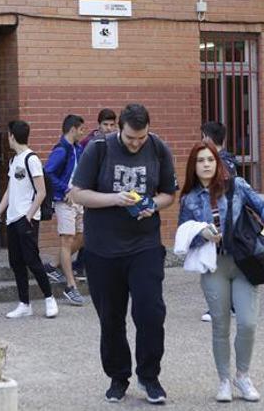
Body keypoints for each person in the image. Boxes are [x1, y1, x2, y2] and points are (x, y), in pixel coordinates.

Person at [70, 104, 177, 405]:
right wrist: (115, 199)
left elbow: (169, 193)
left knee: (151, 312)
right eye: (130, 138)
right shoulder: (99, 149)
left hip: (144, 246)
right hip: (103, 250)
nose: (135, 144)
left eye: (140, 138)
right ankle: (118, 377)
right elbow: (77, 193)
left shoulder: (158, 148)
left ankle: (149, 376)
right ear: (120, 128)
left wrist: (153, 205)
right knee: (111, 318)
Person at [177, 140, 264, 403]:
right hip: (214, 267)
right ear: (194, 166)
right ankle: (224, 380)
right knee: (220, 325)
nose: (206, 165)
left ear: (217, 162)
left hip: (244, 262)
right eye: (200, 161)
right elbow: (183, 234)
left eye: (210, 159)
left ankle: (242, 376)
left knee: (247, 322)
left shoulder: (236, 185)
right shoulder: (189, 198)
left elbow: (262, 206)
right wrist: (201, 234)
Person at [0, 120, 59, 319]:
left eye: (8, 134)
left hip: (26, 218)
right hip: (12, 218)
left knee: (32, 260)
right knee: (16, 262)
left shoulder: (31, 159)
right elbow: (10, 191)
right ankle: (24, 303)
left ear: (12, 136)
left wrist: (29, 215)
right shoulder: (14, 161)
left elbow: (41, 192)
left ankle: (49, 298)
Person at [44, 114, 86, 306]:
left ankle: (53, 265)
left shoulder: (78, 148)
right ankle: (71, 286)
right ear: (73, 129)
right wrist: (64, 188)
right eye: (81, 129)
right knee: (67, 241)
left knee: (82, 237)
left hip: (78, 199)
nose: (83, 133)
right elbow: (48, 172)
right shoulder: (61, 150)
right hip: (64, 201)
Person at [199, 121, 238, 322]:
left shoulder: (219, 163)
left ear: (207, 137)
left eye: (202, 137)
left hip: (220, 220)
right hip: (225, 219)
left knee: (215, 264)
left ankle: (220, 307)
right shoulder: (228, 160)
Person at [74, 108, 118, 279]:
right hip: (90, 191)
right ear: (98, 125)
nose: (108, 128)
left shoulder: (116, 141)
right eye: (105, 125)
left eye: (111, 125)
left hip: (108, 192)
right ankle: (79, 265)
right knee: (90, 229)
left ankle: (81, 264)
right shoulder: (89, 143)